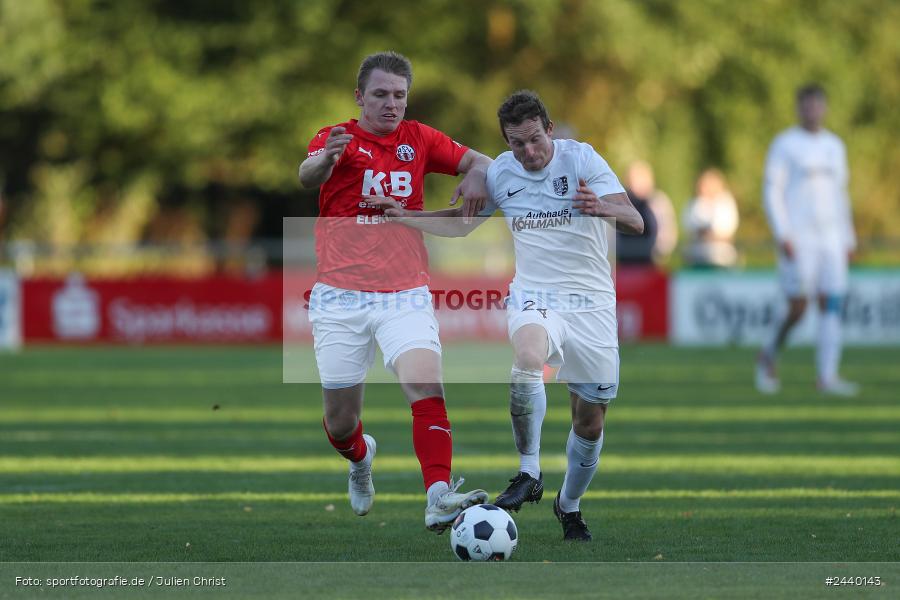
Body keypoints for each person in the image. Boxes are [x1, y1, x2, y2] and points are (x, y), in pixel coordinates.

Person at [371, 90, 643, 541]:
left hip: (591, 303)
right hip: (535, 296)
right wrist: (407, 217)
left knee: (589, 422)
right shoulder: (501, 172)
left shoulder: (582, 160)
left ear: (549, 130)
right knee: (528, 357)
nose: (529, 152)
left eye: (535, 139)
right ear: (507, 142)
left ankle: (568, 505)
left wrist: (603, 207)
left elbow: (635, 220)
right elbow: (461, 222)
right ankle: (529, 472)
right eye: (517, 143)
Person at [297, 51, 491, 533]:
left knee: (427, 387)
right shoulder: (334, 137)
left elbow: (482, 160)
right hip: (340, 296)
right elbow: (307, 175)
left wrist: (477, 173)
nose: (390, 104)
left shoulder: (420, 138)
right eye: (380, 94)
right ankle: (361, 459)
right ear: (359, 96)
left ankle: (439, 495)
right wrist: (326, 159)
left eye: (399, 95)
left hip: (405, 291)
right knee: (341, 423)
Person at [756, 83, 858, 397]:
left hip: (831, 238)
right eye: (807, 105)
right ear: (799, 108)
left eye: (817, 105)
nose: (812, 110)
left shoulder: (834, 146)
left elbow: (841, 195)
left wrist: (848, 236)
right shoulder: (785, 144)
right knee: (797, 307)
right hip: (799, 238)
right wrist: (782, 232)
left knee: (832, 302)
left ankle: (827, 376)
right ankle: (768, 355)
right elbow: (772, 190)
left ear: (824, 108)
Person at [682, 168, 739, 268]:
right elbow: (690, 230)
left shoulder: (725, 202)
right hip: (697, 256)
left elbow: (726, 232)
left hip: (722, 256)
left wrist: (707, 234)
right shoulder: (695, 204)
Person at [626, 160, 677, 263]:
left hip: (653, 262)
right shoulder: (621, 203)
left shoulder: (659, 202)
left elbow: (668, 233)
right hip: (624, 265)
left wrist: (659, 252)